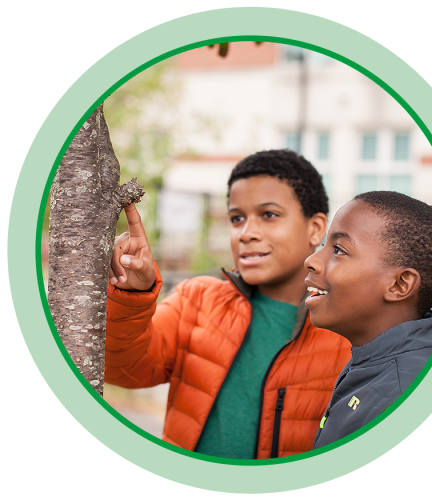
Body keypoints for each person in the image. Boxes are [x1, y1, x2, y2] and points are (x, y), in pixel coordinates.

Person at [104, 149, 352, 459]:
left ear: (316, 228)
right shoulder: (196, 300)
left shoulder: (347, 328)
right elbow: (121, 370)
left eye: (269, 215)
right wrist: (132, 298)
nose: (246, 233)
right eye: (237, 218)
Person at [304, 190, 432, 448]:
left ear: (399, 284)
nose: (312, 261)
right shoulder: (378, 362)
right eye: (323, 246)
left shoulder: (403, 398)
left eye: (339, 250)